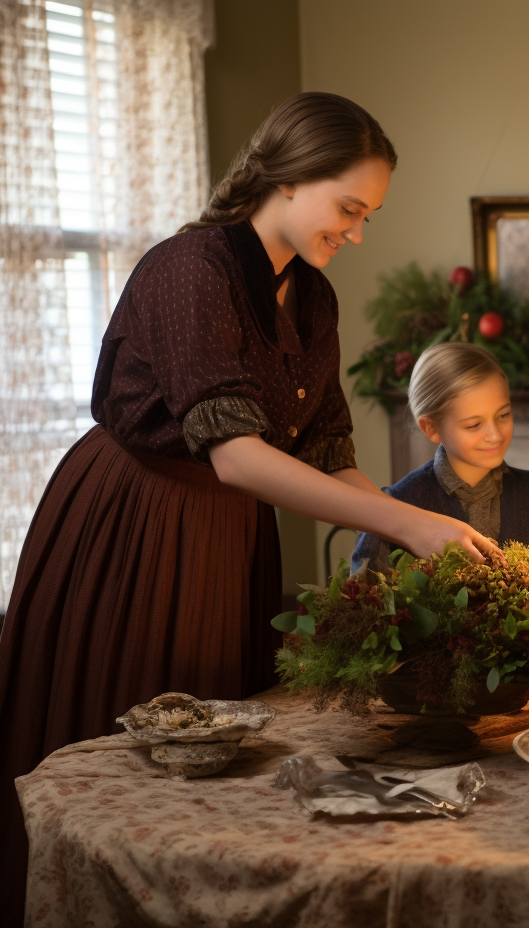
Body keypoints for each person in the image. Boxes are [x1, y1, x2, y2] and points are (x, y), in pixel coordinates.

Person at [0, 92, 498, 912]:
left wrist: (422, 531)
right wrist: (409, 520)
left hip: (228, 537)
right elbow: (234, 454)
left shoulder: (312, 297)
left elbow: (328, 458)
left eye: (367, 214)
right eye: (348, 208)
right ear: (291, 178)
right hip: (135, 522)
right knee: (132, 760)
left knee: (214, 762)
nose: (357, 232)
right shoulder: (190, 270)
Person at [351, 342, 529, 573]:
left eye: (503, 415)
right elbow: (365, 601)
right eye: (474, 425)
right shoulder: (395, 508)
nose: (495, 435)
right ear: (432, 429)